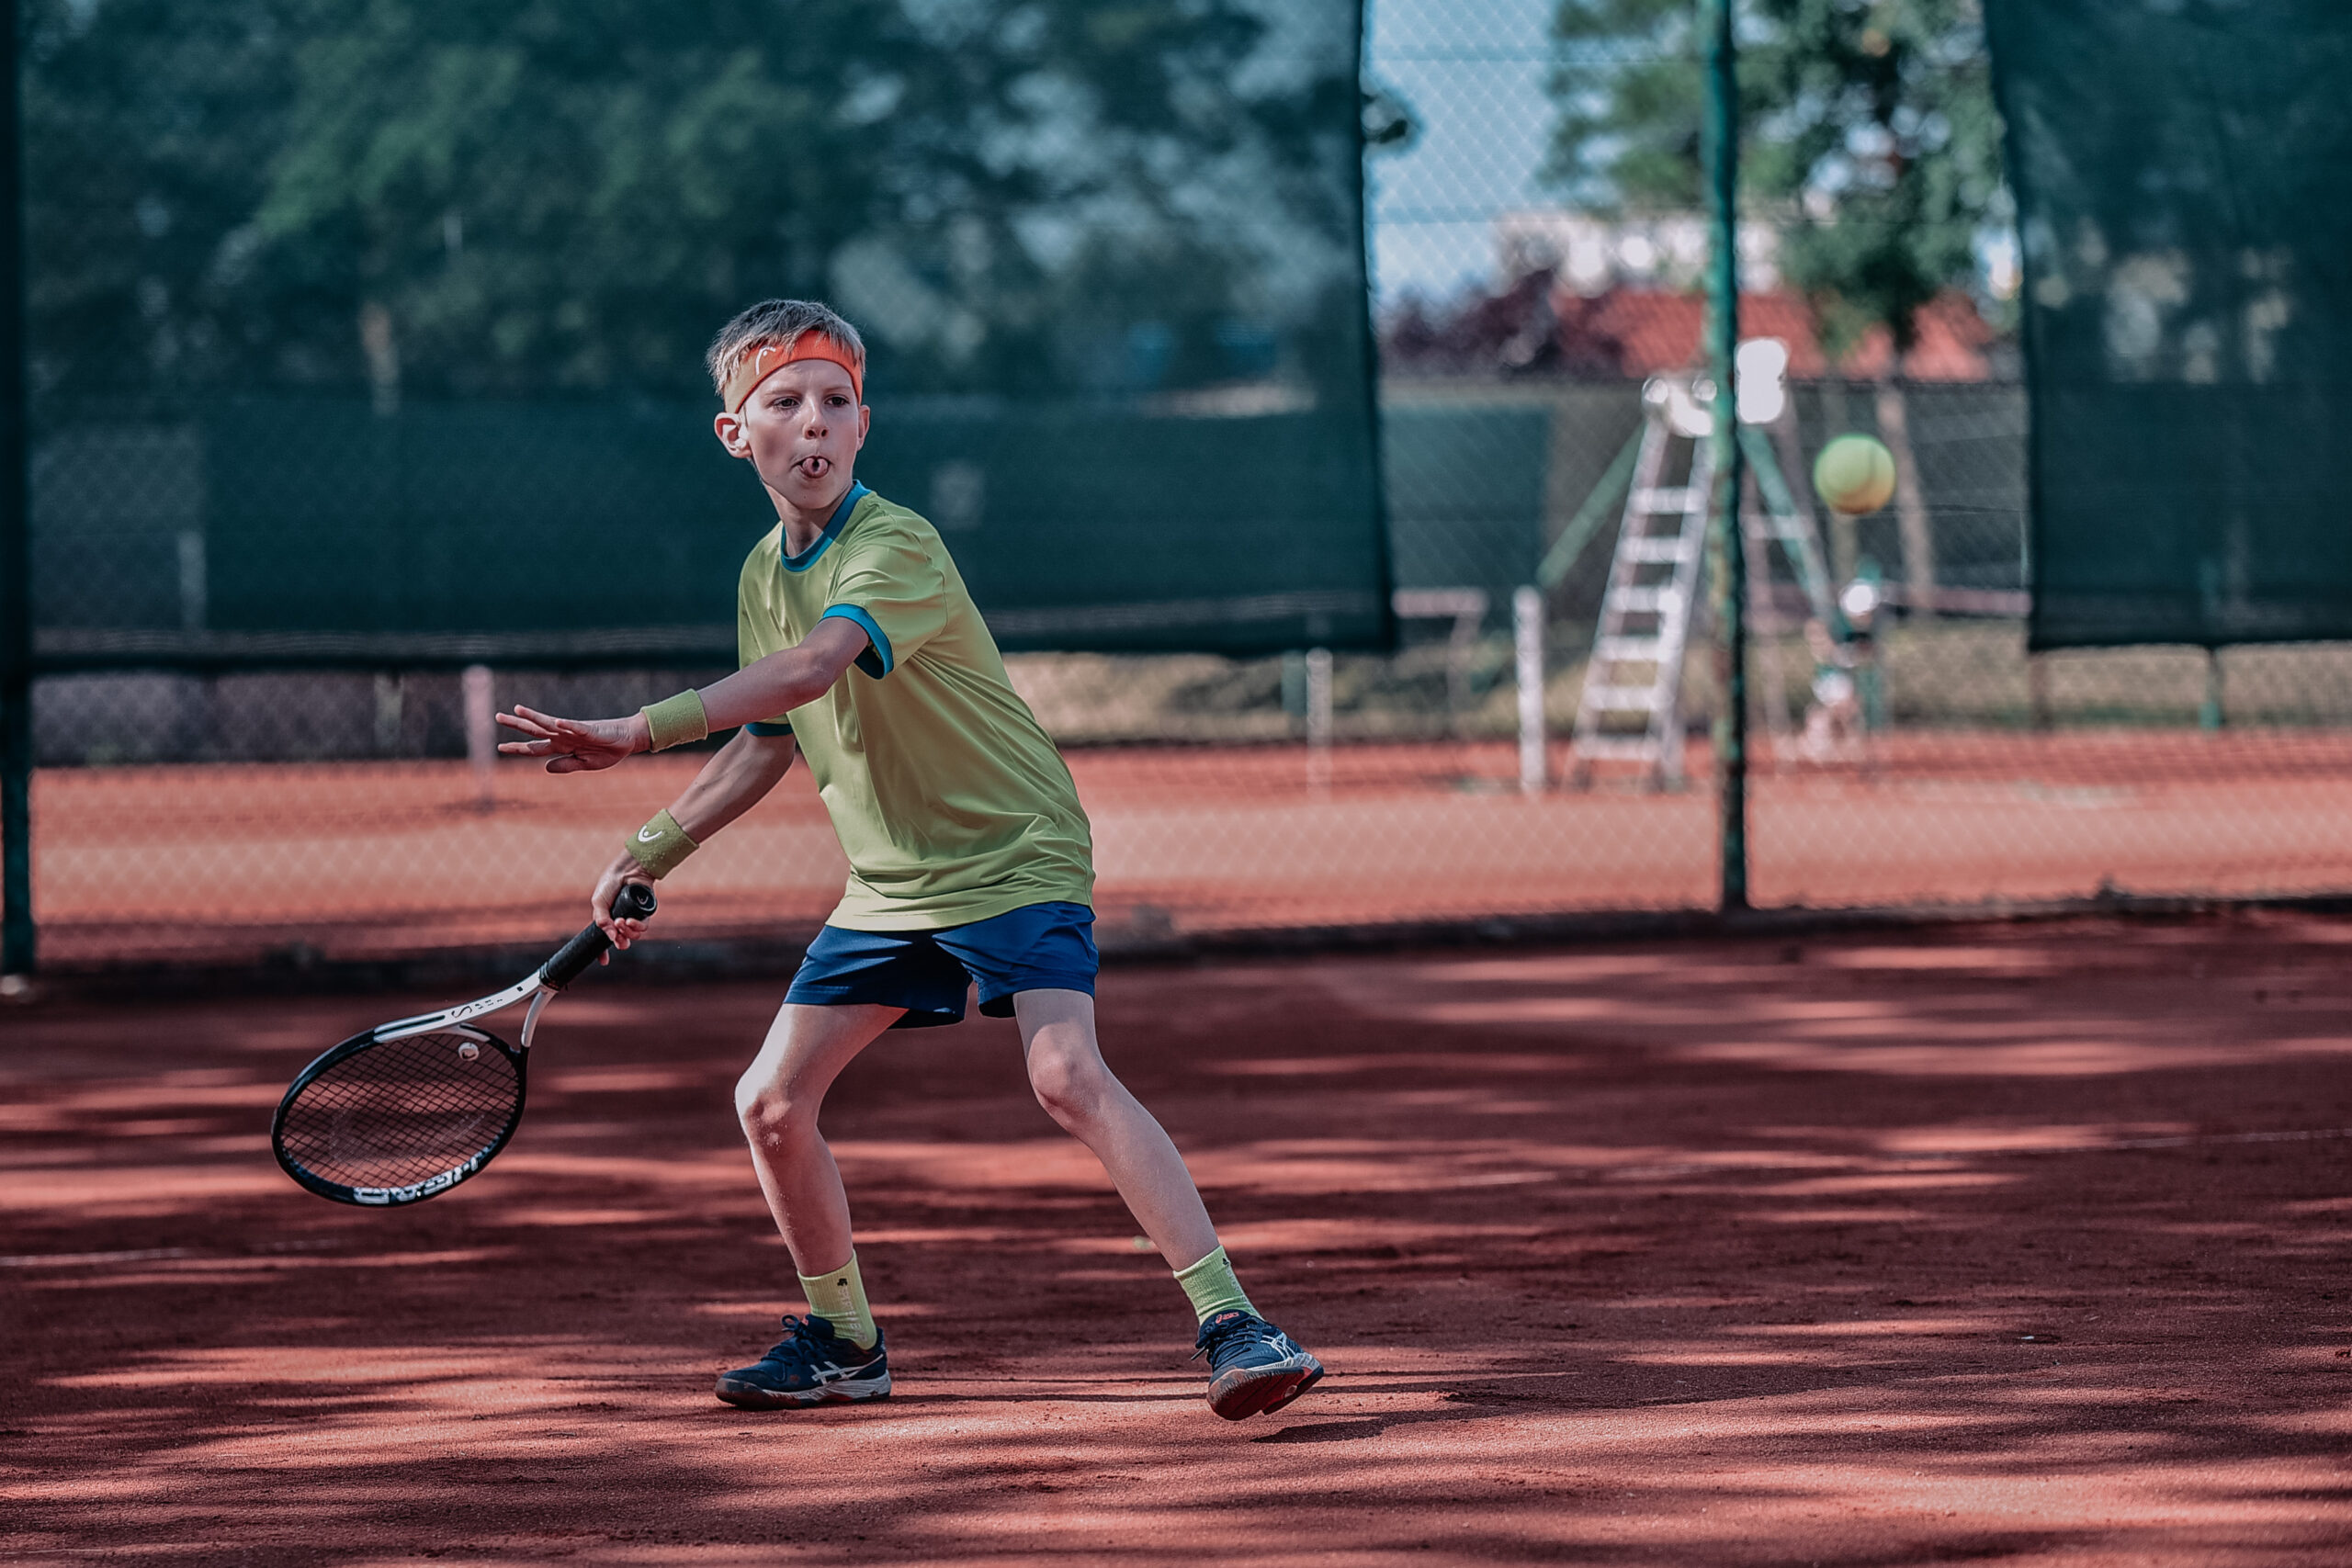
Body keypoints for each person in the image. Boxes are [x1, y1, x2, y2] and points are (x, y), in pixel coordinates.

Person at [496, 299, 1322, 1421]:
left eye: (836, 400)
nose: (814, 421)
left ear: (863, 424)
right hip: (893, 882)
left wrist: (635, 733)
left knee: (1065, 1076)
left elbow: (811, 671)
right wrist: (648, 849)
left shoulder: (895, 544)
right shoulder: (761, 574)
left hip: (1012, 847)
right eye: (785, 402)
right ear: (736, 434)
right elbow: (769, 741)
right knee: (770, 1103)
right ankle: (845, 1344)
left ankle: (1234, 1321)